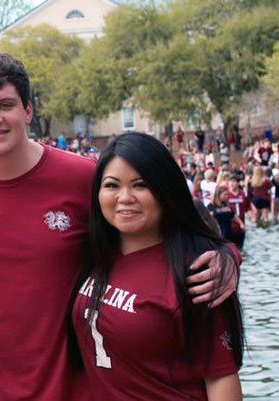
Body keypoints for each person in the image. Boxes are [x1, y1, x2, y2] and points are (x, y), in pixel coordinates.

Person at [0, 51, 238, 401]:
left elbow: (178, 216)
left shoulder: (87, 177)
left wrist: (227, 254)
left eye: (5, 104)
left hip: (82, 389)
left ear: (28, 111)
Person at [71, 132, 243, 400]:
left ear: (166, 190)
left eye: (140, 184)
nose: (125, 197)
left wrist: (228, 254)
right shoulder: (95, 254)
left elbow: (221, 379)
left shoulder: (201, 272)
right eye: (112, 185)